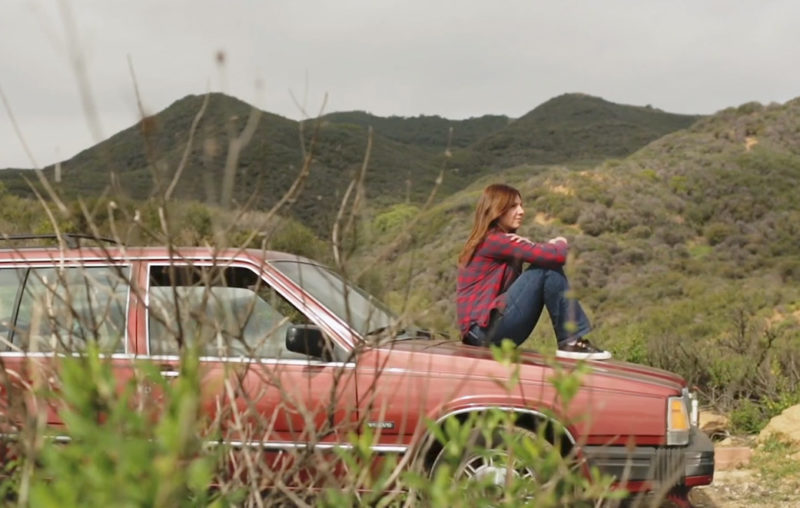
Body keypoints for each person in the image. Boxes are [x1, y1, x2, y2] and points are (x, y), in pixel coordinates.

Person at [456, 183, 611, 360]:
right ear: (496, 210)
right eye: (513, 206)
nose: (521, 211)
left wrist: (530, 245)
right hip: (483, 332)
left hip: (483, 333)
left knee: (545, 266)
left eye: (521, 205)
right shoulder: (495, 241)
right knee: (546, 269)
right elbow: (553, 255)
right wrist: (560, 242)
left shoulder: (496, 240)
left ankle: (571, 341)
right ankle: (571, 341)